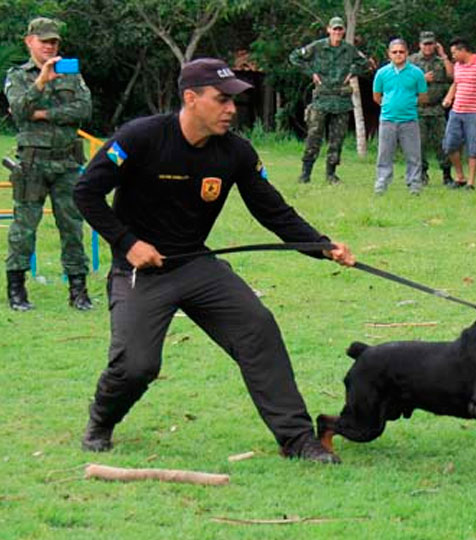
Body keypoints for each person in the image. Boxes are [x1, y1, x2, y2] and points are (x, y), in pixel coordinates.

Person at [73, 58, 356, 464]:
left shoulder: (235, 152)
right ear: (190, 98)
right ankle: (101, 421)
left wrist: (321, 245)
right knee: (137, 366)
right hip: (141, 271)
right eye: (222, 99)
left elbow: (273, 210)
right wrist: (127, 242)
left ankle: (296, 439)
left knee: (258, 329)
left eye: (234, 101)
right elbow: (86, 192)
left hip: (196, 265)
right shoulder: (140, 138)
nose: (231, 109)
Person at [4, 17, 92, 312]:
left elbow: (84, 108)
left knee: (72, 227)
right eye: (44, 41)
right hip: (32, 164)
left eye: (54, 41)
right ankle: (16, 289)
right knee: (24, 228)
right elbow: (19, 110)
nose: (50, 46)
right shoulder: (18, 76)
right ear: (29, 41)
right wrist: (41, 81)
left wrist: (43, 115)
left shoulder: (71, 74)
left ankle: (78, 291)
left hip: (67, 161)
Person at [289, 16, 367, 184]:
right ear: (328, 30)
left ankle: (331, 174)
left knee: (337, 140)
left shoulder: (349, 49)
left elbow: (364, 62)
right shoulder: (317, 47)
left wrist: (352, 72)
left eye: (340, 29)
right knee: (313, 137)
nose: (337, 32)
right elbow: (295, 57)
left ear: (344, 31)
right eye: (335, 29)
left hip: (341, 100)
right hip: (321, 99)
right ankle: (305, 173)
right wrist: (311, 73)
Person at [372, 39, 428, 195]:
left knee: (413, 155)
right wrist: (390, 104)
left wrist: (409, 103)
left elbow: (423, 97)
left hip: (409, 120)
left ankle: (414, 185)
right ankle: (381, 184)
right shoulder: (382, 73)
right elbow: (377, 96)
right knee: (384, 154)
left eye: (401, 52)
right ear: (389, 54)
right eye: (394, 52)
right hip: (387, 120)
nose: (398, 55)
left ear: (407, 53)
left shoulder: (416, 73)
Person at [441, 38, 476, 190]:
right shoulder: (458, 66)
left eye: (454, 53)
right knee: (450, 144)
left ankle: (471, 182)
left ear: (462, 50)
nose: (453, 56)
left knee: (474, 146)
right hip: (457, 110)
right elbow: (456, 83)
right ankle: (460, 177)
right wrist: (449, 97)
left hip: (474, 112)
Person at [408, 31, 454, 186]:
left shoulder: (440, 61)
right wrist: (422, 79)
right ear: (420, 44)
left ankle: (447, 174)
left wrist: (444, 55)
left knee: (443, 143)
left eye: (431, 44)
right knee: (418, 144)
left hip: (437, 109)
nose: (428, 47)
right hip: (418, 109)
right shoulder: (411, 61)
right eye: (425, 44)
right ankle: (422, 174)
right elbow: (403, 82)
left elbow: (452, 76)